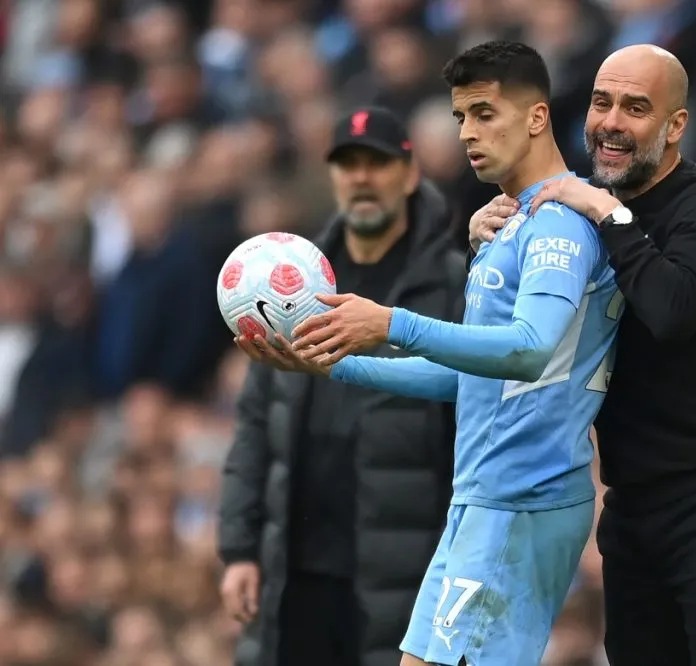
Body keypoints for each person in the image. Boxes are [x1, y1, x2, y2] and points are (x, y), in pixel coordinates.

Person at [237, 41, 620, 666]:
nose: (468, 132)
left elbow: (530, 350)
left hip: (521, 499)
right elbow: (469, 379)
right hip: (484, 500)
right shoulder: (508, 223)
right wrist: (331, 362)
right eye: (460, 117)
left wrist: (391, 322)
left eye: (484, 113)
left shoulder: (559, 223)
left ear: (537, 117)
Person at [469, 45, 696, 666]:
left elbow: (671, 311)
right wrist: (488, 247)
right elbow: (523, 335)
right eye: (601, 101)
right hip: (632, 507)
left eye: (636, 108)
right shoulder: (577, 212)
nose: (611, 121)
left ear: (675, 127)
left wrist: (608, 213)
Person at [217, 106, 467, 666]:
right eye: (347, 164)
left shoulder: (452, 285)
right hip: (295, 571)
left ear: (409, 174)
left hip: (402, 571)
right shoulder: (287, 283)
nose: (360, 177)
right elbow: (256, 425)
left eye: (376, 163)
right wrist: (239, 549)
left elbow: (471, 423)